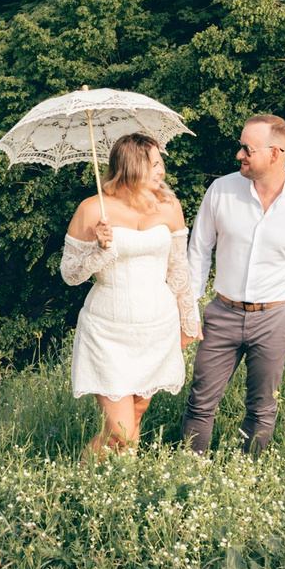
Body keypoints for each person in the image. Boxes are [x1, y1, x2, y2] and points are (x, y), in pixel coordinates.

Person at [182, 113, 285, 455]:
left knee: (262, 408)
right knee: (200, 403)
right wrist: (189, 308)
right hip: (222, 314)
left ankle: (244, 476)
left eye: (247, 149)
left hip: (276, 317)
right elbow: (198, 251)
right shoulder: (221, 190)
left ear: (275, 154)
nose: (240, 155)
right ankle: (189, 474)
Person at [59, 134, 203, 455]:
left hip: (156, 329)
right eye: (154, 164)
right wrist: (98, 249)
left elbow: (178, 269)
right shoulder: (92, 208)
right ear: (132, 165)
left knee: (134, 420)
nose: (161, 170)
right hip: (108, 332)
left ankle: (112, 488)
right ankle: (81, 473)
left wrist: (189, 320)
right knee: (120, 431)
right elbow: (69, 274)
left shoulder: (169, 206)